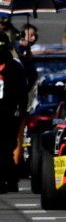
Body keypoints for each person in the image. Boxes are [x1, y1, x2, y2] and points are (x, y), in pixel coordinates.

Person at [0, 31, 29, 194]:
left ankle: (10, 180)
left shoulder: (15, 67)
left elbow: (23, 92)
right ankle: (7, 179)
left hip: (9, 113)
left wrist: (21, 111)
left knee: (7, 148)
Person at [15, 23, 38, 90]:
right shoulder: (17, 49)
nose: (34, 38)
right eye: (31, 35)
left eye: (35, 35)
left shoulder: (26, 50)